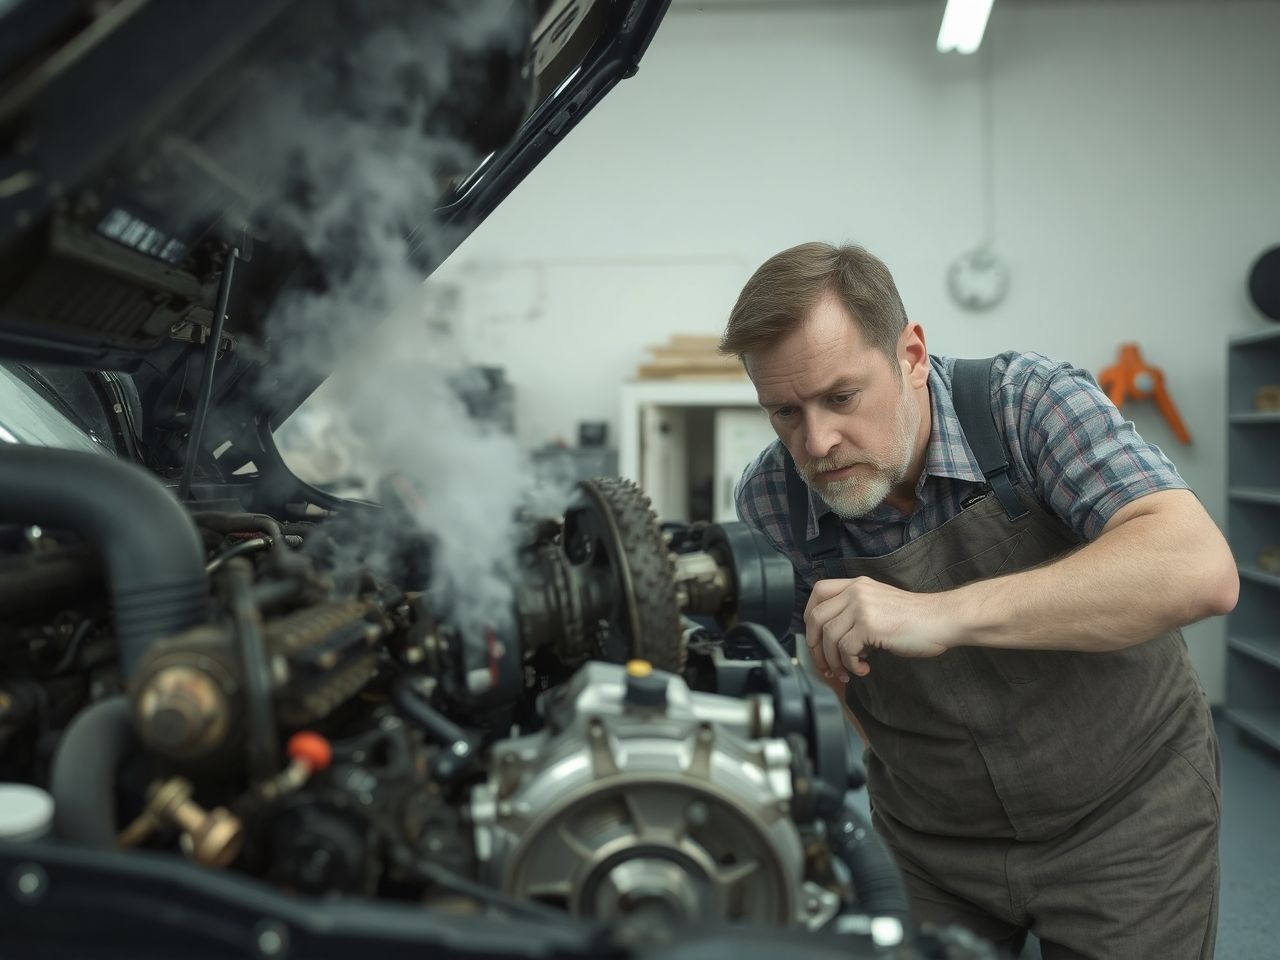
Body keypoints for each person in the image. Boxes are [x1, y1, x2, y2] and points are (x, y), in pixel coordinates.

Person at [721, 241, 1237, 959]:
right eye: (784, 412)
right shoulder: (771, 499)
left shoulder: (1026, 406)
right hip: (928, 842)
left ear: (910, 355)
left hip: (1125, 818)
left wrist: (939, 613)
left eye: (841, 397)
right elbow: (804, 677)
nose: (819, 442)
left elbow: (1197, 567)